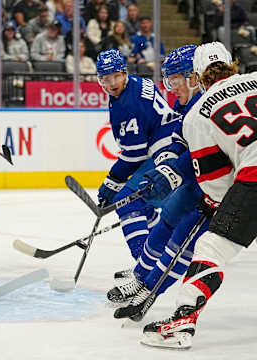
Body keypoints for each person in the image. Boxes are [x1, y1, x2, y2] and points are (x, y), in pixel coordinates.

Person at [141, 41, 257, 350]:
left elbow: (217, 184)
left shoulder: (198, 113)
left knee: (210, 247)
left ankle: (182, 321)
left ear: (198, 76)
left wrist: (214, 204)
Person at [109, 46, 208, 322]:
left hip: (214, 188)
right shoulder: (185, 102)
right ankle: (141, 278)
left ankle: (150, 291)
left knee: (181, 241)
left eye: (175, 80)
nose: (171, 87)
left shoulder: (205, 105)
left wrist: (173, 170)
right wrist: (166, 165)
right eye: (170, 80)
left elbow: (206, 153)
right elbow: (178, 137)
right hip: (194, 181)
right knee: (164, 225)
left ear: (192, 77)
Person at [94, 49, 182, 284]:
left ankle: (144, 268)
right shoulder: (136, 83)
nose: (111, 83)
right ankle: (156, 256)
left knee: (126, 202)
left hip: (167, 152)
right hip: (172, 142)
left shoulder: (126, 106)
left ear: (123, 72)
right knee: (144, 207)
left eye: (115, 76)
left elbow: (134, 155)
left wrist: (111, 183)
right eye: (105, 78)